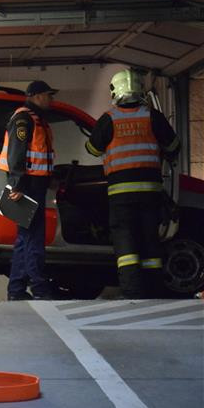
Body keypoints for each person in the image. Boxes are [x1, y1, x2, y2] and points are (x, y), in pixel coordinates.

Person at [85, 69, 179, 298]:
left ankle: (133, 292)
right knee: (150, 241)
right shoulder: (153, 117)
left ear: (115, 91)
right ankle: (154, 290)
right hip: (150, 193)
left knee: (125, 243)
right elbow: (174, 146)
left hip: (121, 195)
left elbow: (93, 149)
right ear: (139, 90)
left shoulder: (109, 119)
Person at [0, 80, 57, 301]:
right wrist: (17, 184)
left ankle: (16, 290)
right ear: (37, 96)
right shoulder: (24, 119)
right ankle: (40, 288)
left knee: (25, 238)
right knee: (33, 238)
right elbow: (16, 153)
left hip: (35, 184)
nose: (51, 99)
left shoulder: (37, 119)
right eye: (48, 95)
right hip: (28, 186)